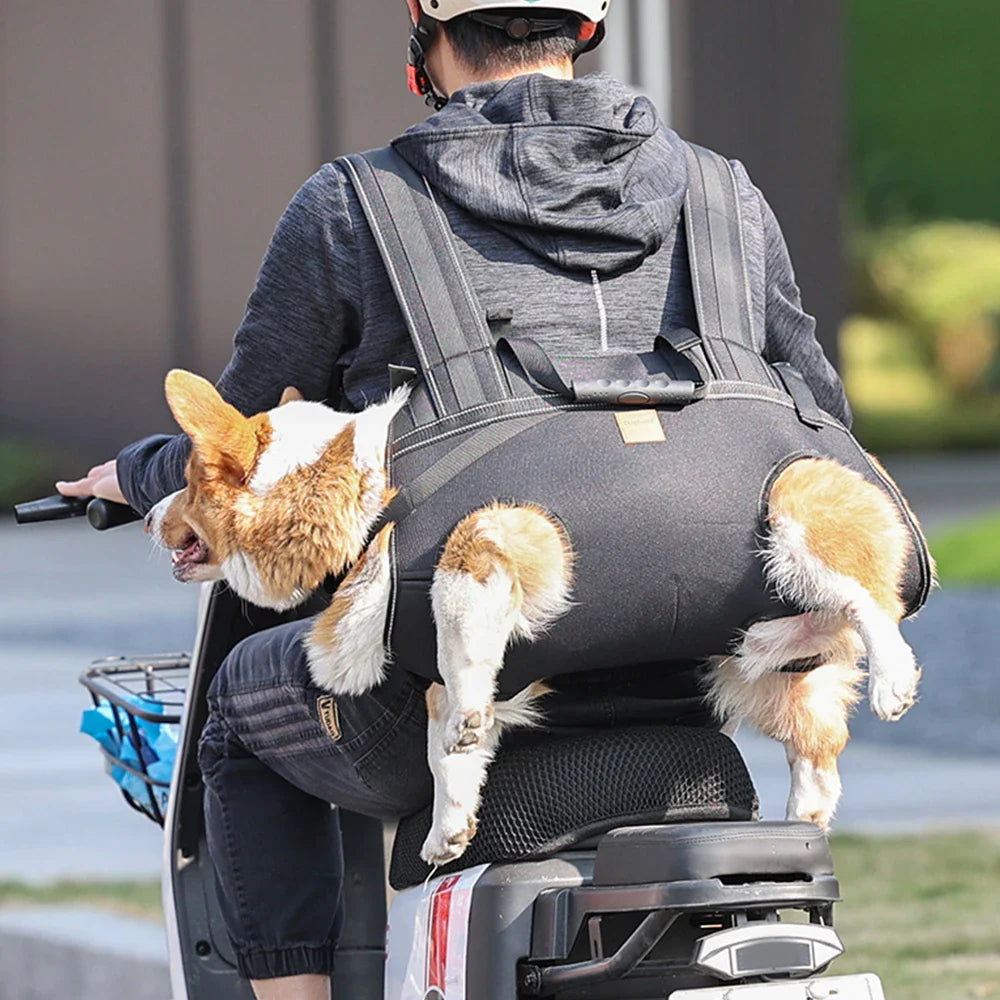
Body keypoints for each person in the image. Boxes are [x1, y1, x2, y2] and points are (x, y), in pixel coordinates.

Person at [58, 2, 852, 997]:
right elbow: (823, 420)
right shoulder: (723, 195)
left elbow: (243, 440)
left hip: (440, 695)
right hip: (693, 689)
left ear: (423, 38)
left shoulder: (355, 206)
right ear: (588, 27)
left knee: (232, 712)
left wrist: (136, 473)